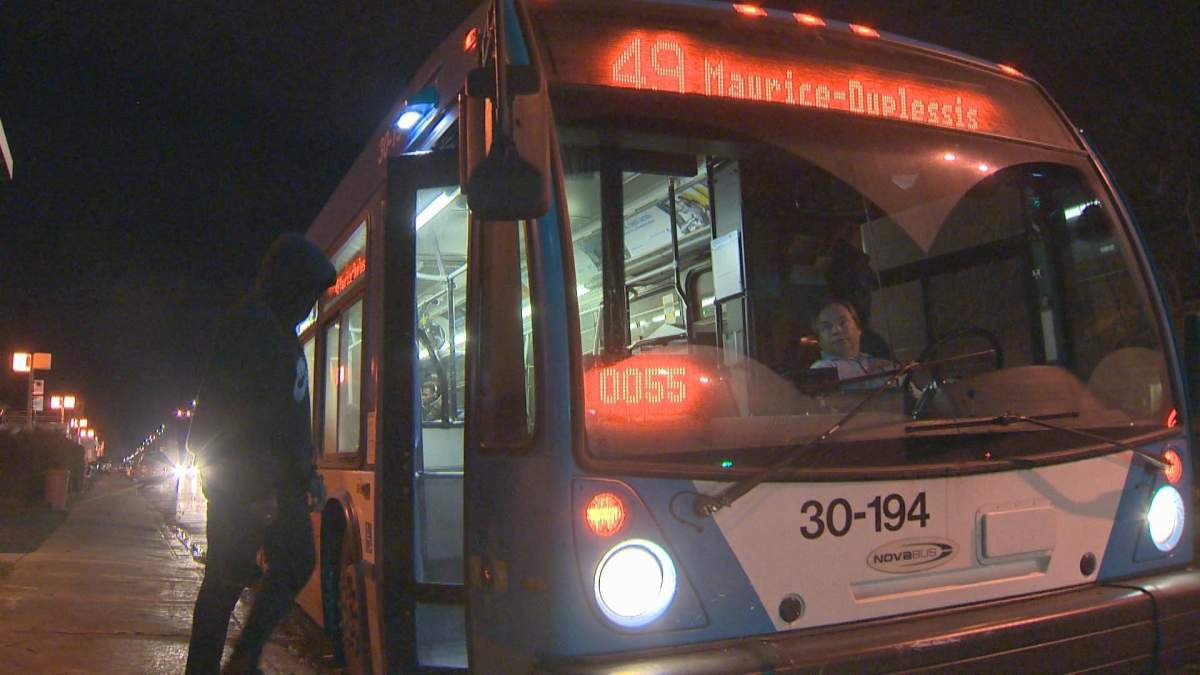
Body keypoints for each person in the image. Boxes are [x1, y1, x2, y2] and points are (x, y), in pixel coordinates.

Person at [185, 233, 335, 675]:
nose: (311, 303)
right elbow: (231, 413)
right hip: (249, 485)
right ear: (288, 283)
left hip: (275, 484)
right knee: (227, 581)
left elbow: (288, 412)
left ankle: (242, 657)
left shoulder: (278, 330)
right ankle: (225, 663)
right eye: (308, 290)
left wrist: (305, 474)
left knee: (279, 565)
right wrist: (253, 487)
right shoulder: (251, 327)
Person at [809, 298, 894, 388]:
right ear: (819, 340)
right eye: (827, 327)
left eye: (842, 322)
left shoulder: (880, 364)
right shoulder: (820, 370)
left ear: (858, 328)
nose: (836, 330)